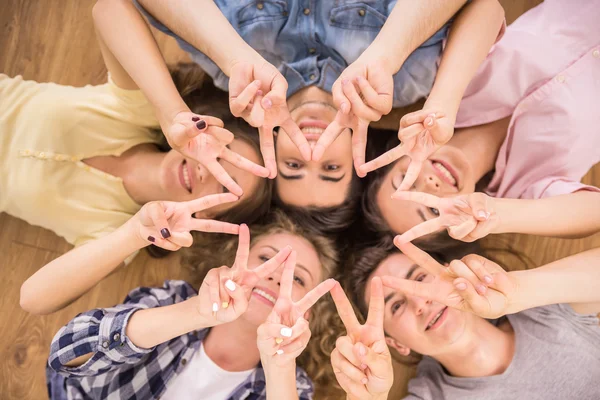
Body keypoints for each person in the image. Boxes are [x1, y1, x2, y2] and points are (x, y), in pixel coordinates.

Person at [120, 0, 504, 209]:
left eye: (293, 165)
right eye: (331, 168)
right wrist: (390, 56)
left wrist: (231, 57)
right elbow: (487, 8)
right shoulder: (401, 84)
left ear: (266, 147)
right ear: (359, 155)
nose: (313, 150)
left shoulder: (234, 78)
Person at [0, 8, 273, 264]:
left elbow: (35, 299)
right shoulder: (138, 113)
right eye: (220, 155)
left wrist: (134, 235)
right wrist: (172, 113)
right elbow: (109, 9)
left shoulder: (117, 231)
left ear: (208, 215)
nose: (208, 171)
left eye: (225, 185)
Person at [361, 0, 600, 248]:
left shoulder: (443, 86)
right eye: (433, 210)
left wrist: (443, 104)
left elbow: (487, 9)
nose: (430, 185)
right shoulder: (527, 189)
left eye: (405, 182)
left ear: (394, 158)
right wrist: (494, 213)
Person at [45, 209, 340, 399]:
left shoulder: (291, 384)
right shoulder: (171, 300)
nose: (276, 277)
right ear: (231, 263)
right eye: (266, 259)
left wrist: (279, 366)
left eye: (297, 279)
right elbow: (63, 354)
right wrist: (196, 313)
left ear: (308, 311)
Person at [333, 241, 600, 399]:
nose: (420, 302)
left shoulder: (545, 310)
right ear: (397, 344)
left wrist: (515, 291)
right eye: (397, 305)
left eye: (420, 279)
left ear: (451, 272)